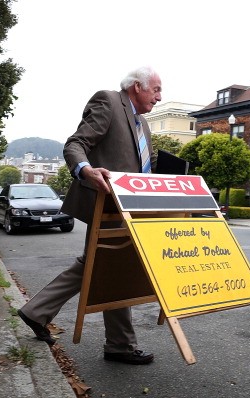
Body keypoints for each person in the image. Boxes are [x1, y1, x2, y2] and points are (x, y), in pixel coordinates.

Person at [18, 66, 162, 365]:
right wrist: (85, 170)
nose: (159, 97)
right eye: (156, 90)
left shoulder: (143, 124)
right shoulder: (109, 101)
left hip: (130, 206)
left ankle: (40, 313)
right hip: (106, 204)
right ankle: (119, 344)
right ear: (137, 86)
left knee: (110, 265)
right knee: (109, 264)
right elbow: (76, 144)